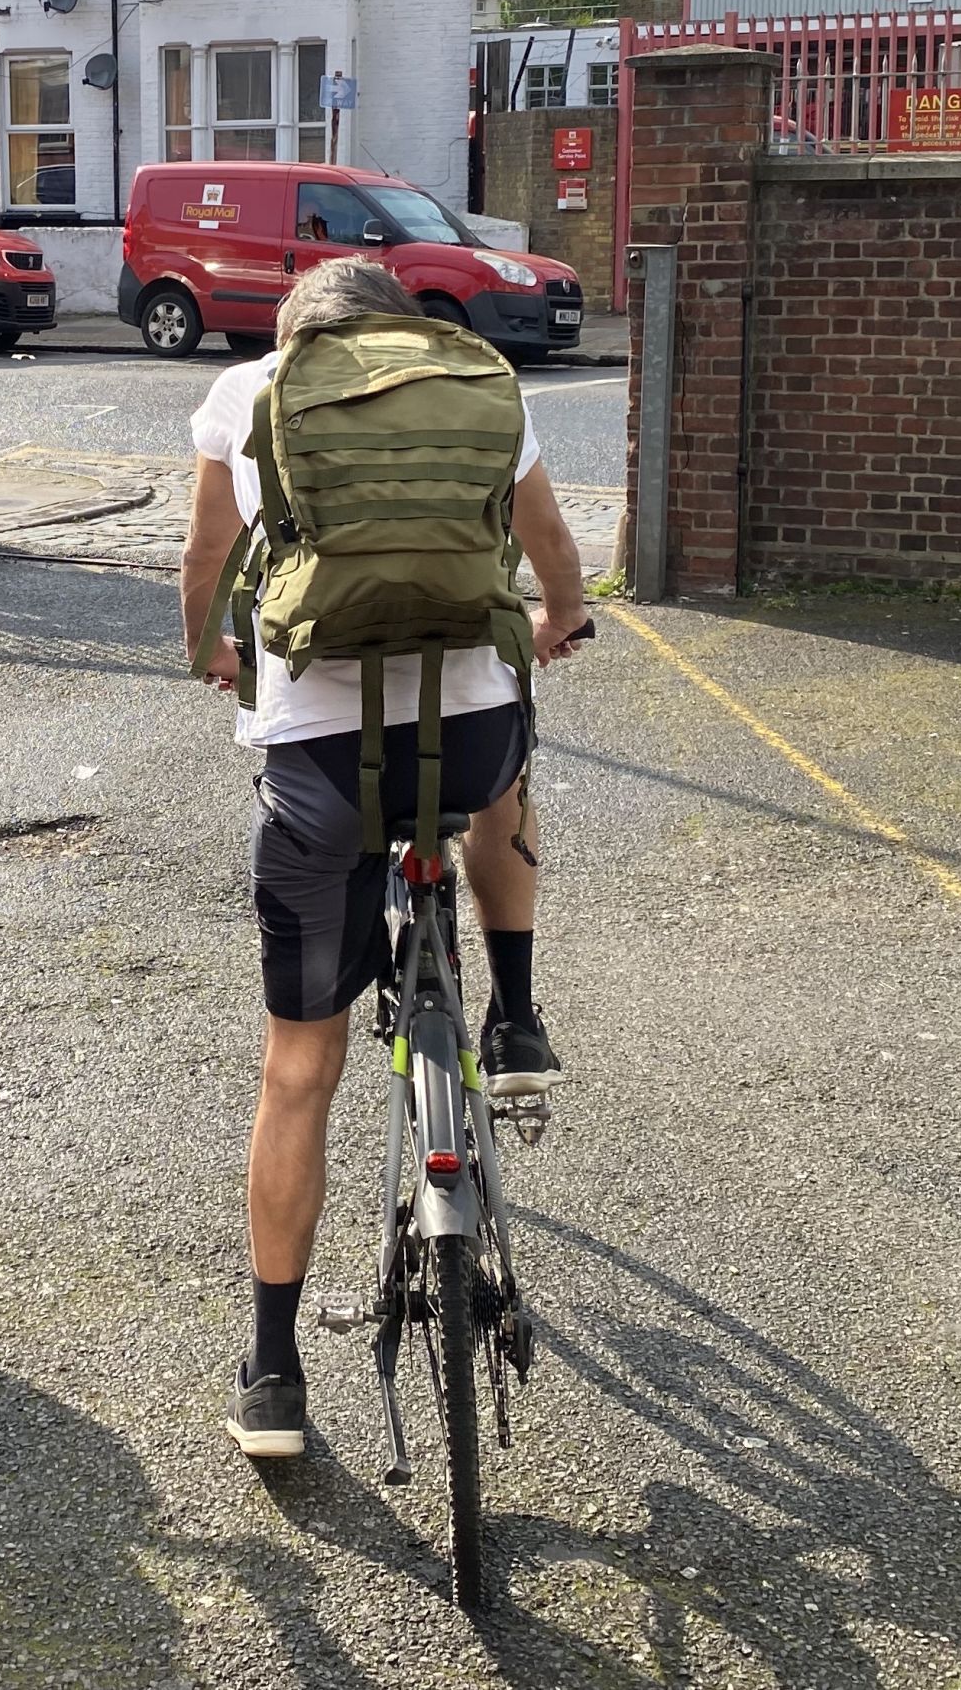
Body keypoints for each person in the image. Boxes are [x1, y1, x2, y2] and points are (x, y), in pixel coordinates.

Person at [178, 256, 590, 1459]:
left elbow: (206, 567)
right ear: (398, 332)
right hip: (464, 744)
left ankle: (273, 1374)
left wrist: (213, 654)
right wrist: (558, 620)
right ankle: (513, 1016)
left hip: (317, 768)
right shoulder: (470, 381)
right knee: (506, 769)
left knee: (298, 1070)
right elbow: (552, 543)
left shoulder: (246, 394)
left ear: (301, 335)